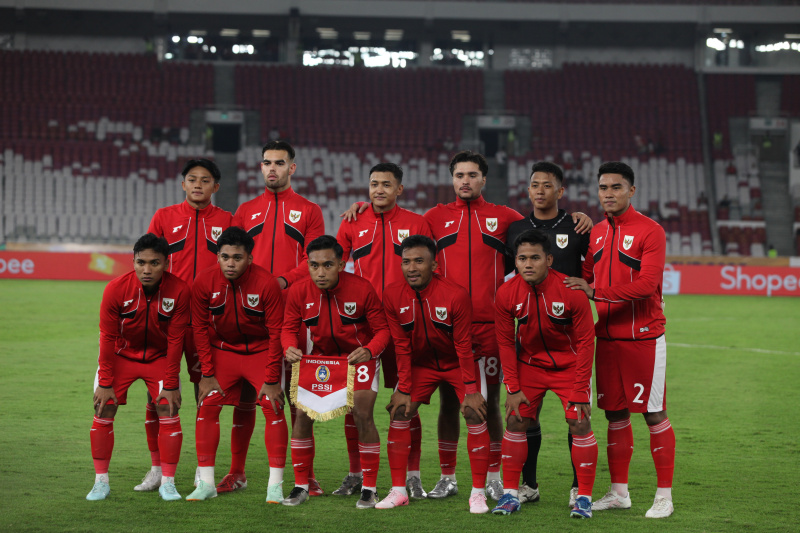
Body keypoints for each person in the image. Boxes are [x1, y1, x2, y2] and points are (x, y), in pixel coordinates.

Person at [565, 161, 676, 519]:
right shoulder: (596, 232)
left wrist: (596, 291)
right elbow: (582, 277)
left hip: (643, 337)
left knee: (654, 414)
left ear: (631, 190)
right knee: (614, 414)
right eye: (603, 188)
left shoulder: (650, 231)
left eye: (615, 187)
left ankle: (664, 496)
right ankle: (619, 493)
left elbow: (647, 285)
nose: (608, 194)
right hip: (607, 339)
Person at [230, 140, 326, 495]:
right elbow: (234, 256)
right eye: (267, 162)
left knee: (298, 396)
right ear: (260, 167)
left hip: (293, 315)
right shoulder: (246, 209)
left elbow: (314, 259)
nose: (273, 168)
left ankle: (307, 475)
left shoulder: (309, 210)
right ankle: (236, 473)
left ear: (292, 168)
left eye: (280, 163)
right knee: (244, 397)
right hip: (249, 314)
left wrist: (282, 280)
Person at [335, 162, 434, 498]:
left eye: (386, 184)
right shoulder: (351, 221)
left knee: (407, 402)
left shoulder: (416, 223)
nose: (379, 190)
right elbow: (334, 266)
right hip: (364, 328)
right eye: (374, 183)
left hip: (406, 324)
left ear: (399, 189)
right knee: (354, 404)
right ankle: (355, 473)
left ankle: (412, 475)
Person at [377, 235, 490, 513]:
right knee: (400, 410)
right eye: (406, 262)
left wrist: (472, 390)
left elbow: (463, 345)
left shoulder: (455, 294)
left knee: (475, 412)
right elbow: (401, 345)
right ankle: (398, 491)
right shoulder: (392, 294)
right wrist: (403, 386)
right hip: (422, 365)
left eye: (419, 261)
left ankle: (477, 494)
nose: (412, 268)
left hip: (457, 363)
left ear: (434, 264)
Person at [141, 158, 232, 493]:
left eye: (205, 180)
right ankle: (157, 468)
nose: (198, 185)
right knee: (157, 393)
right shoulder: (164, 217)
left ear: (215, 187)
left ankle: (201, 468)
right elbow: (148, 262)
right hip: (166, 319)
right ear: (183, 184)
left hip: (208, 320)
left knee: (204, 393)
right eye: (192, 179)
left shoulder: (227, 221)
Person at [492, 229, 597, 518]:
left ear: (549, 259)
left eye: (535, 258)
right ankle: (511, 494)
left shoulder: (570, 291)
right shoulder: (506, 293)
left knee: (579, 423)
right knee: (515, 420)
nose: (527, 264)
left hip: (570, 366)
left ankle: (584, 497)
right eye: (522, 258)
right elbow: (504, 342)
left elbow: (587, 341)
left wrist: (579, 391)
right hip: (530, 366)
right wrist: (512, 387)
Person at [281, 235, 390, 509]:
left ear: (341, 264)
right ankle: (301, 486)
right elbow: (287, 328)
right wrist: (289, 347)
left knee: (362, 412)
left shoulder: (362, 289)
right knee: (302, 413)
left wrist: (370, 350)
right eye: (314, 265)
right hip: (322, 360)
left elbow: (383, 331)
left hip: (358, 358)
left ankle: (369, 488)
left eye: (328, 265)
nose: (320, 272)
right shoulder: (298, 291)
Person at [505, 161, 591, 507]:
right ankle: (528, 484)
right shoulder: (514, 228)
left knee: (577, 419)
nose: (539, 191)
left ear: (560, 191)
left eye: (547, 185)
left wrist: (590, 288)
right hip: (529, 337)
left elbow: (592, 272)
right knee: (525, 415)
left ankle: (576, 486)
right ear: (528, 190)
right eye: (534, 185)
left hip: (567, 331)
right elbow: (507, 276)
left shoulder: (578, 225)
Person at [185, 227, 287, 503]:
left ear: (250, 259)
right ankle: (205, 483)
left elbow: (277, 332)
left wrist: (271, 378)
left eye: (238, 258)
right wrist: (206, 373)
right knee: (207, 403)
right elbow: (200, 330)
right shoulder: (204, 281)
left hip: (261, 351)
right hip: (224, 352)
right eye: (225, 257)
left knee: (271, 403)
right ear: (217, 256)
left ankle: (274, 486)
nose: (231, 263)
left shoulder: (266, 283)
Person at [87, 233, 190, 502]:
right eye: (141, 262)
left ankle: (167, 482)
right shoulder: (115, 289)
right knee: (103, 406)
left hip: (159, 357)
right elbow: (107, 338)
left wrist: (170, 384)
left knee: (167, 406)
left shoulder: (179, 290)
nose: (147, 269)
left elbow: (176, 340)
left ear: (166, 263)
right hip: (121, 356)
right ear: (132, 261)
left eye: (154, 263)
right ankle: (101, 482)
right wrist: (106, 382)